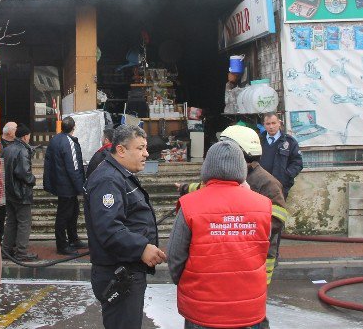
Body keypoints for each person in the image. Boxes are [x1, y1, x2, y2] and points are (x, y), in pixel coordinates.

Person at [167, 141, 272, 329]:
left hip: (202, 308)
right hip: (248, 309)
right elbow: (263, 249)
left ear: (207, 168)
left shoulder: (189, 203)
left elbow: (175, 257)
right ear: (241, 170)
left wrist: (187, 284)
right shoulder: (263, 204)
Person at [176, 125, 288, 285]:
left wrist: (239, 229)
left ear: (240, 153)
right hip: (231, 257)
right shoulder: (230, 177)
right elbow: (206, 189)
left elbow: (277, 220)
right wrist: (184, 188)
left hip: (258, 260)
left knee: (250, 298)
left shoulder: (268, 183)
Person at [84, 125, 166, 329]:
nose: (146, 153)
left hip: (127, 269)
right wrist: (141, 248)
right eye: (140, 148)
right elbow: (109, 229)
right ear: (120, 150)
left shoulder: (119, 174)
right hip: (119, 272)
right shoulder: (108, 179)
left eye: (145, 148)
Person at [43, 116, 86, 255]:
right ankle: (63, 244)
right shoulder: (69, 142)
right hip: (67, 185)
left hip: (59, 183)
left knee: (71, 212)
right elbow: (73, 167)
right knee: (65, 215)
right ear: (74, 127)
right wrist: (81, 187)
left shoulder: (55, 140)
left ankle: (72, 239)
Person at [0, 124, 38, 261]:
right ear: (25, 136)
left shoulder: (7, 149)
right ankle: (21, 252)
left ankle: (6, 250)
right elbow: (24, 173)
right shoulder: (22, 150)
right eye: (29, 135)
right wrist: (32, 180)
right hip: (21, 192)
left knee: (11, 221)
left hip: (9, 191)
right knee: (24, 222)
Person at [259, 112, 303, 198]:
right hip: (260, 186)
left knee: (278, 211)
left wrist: (286, 177)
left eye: (273, 123)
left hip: (280, 187)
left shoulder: (289, 142)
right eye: (268, 124)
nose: (271, 126)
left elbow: (297, 163)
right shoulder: (258, 141)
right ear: (264, 125)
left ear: (279, 123)